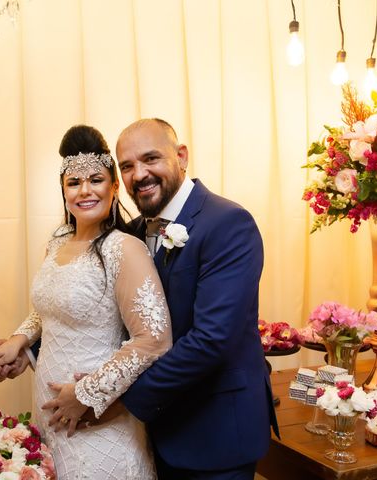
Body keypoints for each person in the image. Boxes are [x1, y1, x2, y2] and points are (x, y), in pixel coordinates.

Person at [0, 125, 173, 479]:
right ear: (64, 190)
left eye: (96, 179)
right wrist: (19, 342)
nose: (85, 191)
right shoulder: (58, 241)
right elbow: (48, 309)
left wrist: (85, 394)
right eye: (73, 182)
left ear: (115, 186)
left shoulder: (124, 249)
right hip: (48, 411)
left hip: (97, 421)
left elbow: (154, 340)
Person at [113, 118, 278, 479]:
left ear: (181, 156)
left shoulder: (228, 223)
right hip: (157, 435)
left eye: (150, 159)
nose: (139, 174)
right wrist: (30, 344)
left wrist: (121, 397)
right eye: (127, 166)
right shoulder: (133, 233)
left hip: (216, 433)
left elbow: (211, 340)